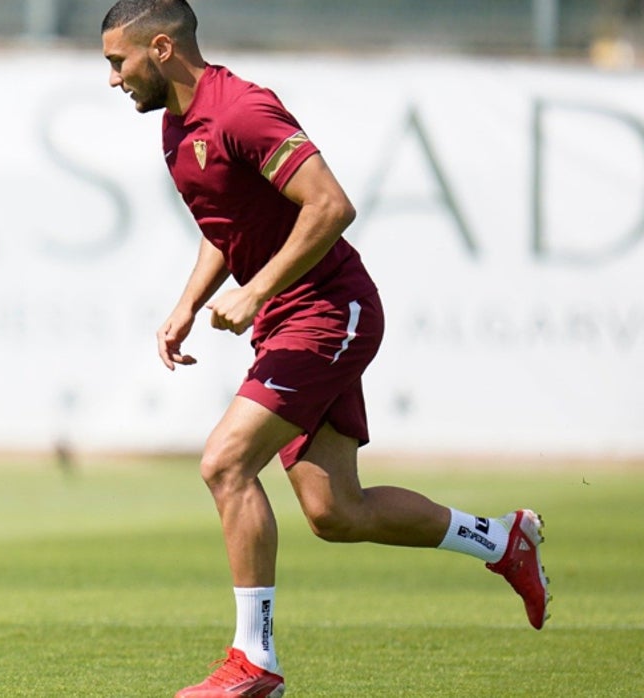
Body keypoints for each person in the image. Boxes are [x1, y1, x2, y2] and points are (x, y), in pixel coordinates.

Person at [99, 2, 550, 696]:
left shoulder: (242, 109)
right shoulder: (174, 125)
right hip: (288, 317)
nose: (111, 78)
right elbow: (230, 224)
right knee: (335, 513)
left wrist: (255, 293)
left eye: (117, 61)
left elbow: (331, 205)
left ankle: (256, 663)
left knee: (224, 464)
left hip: (329, 309)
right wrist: (188, 303)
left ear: (161, 48)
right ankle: (502, 540)